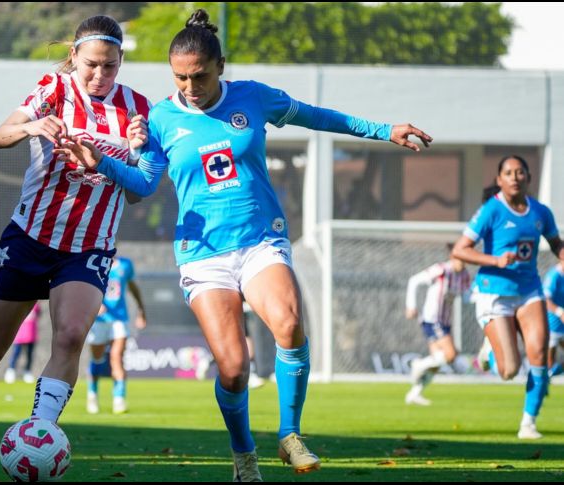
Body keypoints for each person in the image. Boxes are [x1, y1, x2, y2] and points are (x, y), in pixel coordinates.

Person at [55, 8, 432, 480]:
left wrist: (384, 130)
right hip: (203, 253)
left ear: (220, 66)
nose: (189, 88)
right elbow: (145, 185)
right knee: (234, 369)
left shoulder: (253, 98)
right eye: (179, 78)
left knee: (290, 324)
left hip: (260, 240)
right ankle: (243, 454)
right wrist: (102, 162)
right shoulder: (160, 118)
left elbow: (316, 117)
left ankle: (290, 434)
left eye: (199, 76)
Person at [0, 15, 151, 472]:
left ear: (121, 62)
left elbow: (135, 190)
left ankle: (36, 436)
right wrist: (31, 127)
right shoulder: (52, 88)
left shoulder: (138, 109)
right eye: (91, 64)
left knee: (69, 337)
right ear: (74, 56)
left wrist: (136, 151)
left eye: (110, 66)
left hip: (90, 247)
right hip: (30, 239)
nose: (99, 75)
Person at [452, 155, 564, 440]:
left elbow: (555, 243)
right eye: (508, 173)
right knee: (509, 370)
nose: (514, 177)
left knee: (539, 355)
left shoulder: (540, 212)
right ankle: (490, 349)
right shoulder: (491, 210)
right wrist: (495, 260)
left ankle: (528, 423)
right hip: (494, 293)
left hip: (529, 291)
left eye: (520, 172)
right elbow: (460, 250)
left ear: (528, 177)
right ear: (499, 180)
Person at [404, 244, 471, 406]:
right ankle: (417, 364)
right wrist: (411, 305)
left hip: (444, 322)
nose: (462, 262)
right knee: (450, 355)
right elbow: (414, 281)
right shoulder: (442, 270)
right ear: (452, 257)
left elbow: (468, 296)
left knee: (437, 363)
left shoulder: (464, 276)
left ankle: (414, 393)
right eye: (459, 258)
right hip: (433, 319)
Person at [86, 256, 147, 414]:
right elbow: (85, 287)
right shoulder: (94, 262)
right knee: (97, 359)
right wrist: (94, 304)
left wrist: (141, 310)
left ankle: (119, 399)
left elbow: (133, 287)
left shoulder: (126, 264)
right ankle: (92, 395)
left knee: (117, 357)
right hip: (98, 320)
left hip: (119, 319)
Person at [4, 303, 41, 384]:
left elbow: (38, 315)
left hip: (31, 334)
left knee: (29, 355)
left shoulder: (36, 305)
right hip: (20, 334)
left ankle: (27, 373)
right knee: (16, 354)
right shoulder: (20, 303)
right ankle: (11, 371)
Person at [543, 262, 564, 378]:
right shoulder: (554, 276)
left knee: (552, 367)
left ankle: (555, 371)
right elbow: (545, 300)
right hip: (552, 324)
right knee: (549, 362)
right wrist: (560, 312)